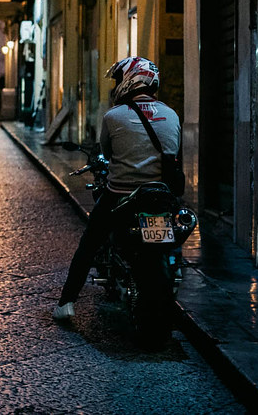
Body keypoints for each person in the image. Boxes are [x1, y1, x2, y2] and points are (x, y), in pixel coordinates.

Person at [54, 56, 180, 320]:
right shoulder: (171, 114)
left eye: (119, 79)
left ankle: (66, 303)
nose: (116, 85)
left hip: (120, 196)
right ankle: (174, 270)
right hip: (160, 197)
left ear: (131, 80)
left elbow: (107, 153)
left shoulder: (113, 117)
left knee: (88, 244)